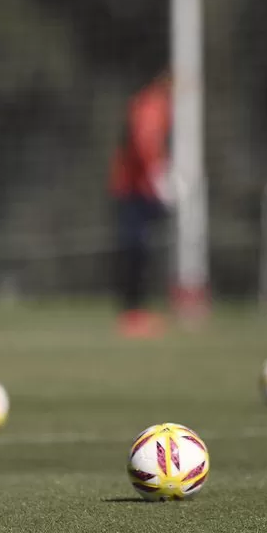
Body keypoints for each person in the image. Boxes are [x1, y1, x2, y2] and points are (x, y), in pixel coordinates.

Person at [108, 72, 173, 338]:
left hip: (142, 189)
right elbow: (144, 143)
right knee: (135, 250)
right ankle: (132, 313)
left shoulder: (160, 105)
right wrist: (159, 177)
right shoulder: (150, 105)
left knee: (143, 251)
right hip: (134, 190)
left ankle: (138, 311)